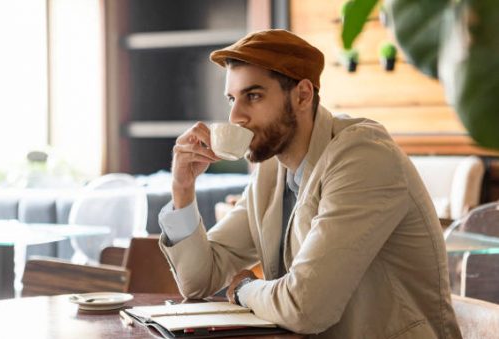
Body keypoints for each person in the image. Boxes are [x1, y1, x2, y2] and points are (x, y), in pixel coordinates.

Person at [158, 29, 462, 338]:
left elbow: (305, 307)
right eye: (231, 99)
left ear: (302, 95)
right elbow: (199, 280)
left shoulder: (363, 157)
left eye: (254, 96)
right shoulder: (270, 172)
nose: (236, 116)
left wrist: (245, 290)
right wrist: (183, 189)